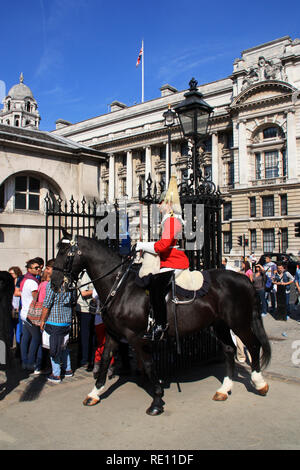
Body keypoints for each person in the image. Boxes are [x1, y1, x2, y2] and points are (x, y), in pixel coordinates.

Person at [136, 176, 189, 340]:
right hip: (168, 261)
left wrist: (141, 245)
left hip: (174, 262)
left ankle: (160, 324)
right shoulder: (169, 220)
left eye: (161, 203)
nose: (158, 206)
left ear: (169, 203)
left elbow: (163, 246)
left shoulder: (172, 220)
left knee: (156, 290)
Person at [40, 280, 74, 383]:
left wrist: (42, 320)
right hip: (66, 320)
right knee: (64, 346)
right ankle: (68, 369)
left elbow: (47, 303)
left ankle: (56, 374)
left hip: (54, 321)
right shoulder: (70, 283)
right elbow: (73, 300)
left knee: (53, 347)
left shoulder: (52, 284)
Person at [19, 259, 42, 372]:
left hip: (24, 312)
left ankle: (24, 361)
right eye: (36, 268)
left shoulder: (26, 279)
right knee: (36, 338)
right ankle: (30, 362)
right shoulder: (32, 282)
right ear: (29, 269)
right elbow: (36, 298)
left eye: (39, 267)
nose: (39, 269)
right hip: (30, 314)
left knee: (26, 338)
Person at [76, 271, 94, 370]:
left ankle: (85, 358)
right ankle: (85, 359)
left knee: (88, 335)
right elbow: (84, 292)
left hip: (89, 308)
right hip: (85, 309)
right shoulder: (86, 274)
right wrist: (96, 290)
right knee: (86, 335)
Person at [8, 266, 23, 348]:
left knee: (18, 329)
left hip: (18, 307)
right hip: (11, 308)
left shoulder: (20, 282)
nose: (10, 275)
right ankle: (10, 346)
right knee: (10, 329)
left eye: (11, 273)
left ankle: (18, 346)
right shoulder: (8, 283)